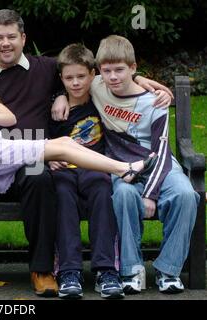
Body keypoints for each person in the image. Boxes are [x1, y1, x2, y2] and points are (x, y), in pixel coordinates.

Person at [0, 8, 172, 298]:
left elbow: (86, 73)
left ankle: (42, 269)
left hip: (29, 155)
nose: (5, 43)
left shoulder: (44, 68)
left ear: (23, 38)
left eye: (11, 36)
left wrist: (142, 81)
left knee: (40, 179)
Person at [94, 35, 199, 294]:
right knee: (124, 195)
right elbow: (64, 68)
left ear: (132, 67)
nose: (113, 77)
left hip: (159, 165)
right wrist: (62, 98)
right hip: (123, 168)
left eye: (120, 70)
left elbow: (161, 151)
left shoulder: (155, 101)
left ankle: (168, 270)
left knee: (186, 194)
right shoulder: (97, 86)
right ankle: (131, 270)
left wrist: (151, 193)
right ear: (99, 72)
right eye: (106, 71)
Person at [48, 44, 123, 299]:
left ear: (93, 75)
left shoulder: (101, 99)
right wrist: (48, 160)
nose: (76, 83)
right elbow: (40, 139)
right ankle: (69, 270)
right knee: (61, 194)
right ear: (61, 79)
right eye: (69, 78)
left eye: (81, 76)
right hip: (63, 170)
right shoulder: (54, 108)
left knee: (103, 189)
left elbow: (124, 77)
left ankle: (106, 270)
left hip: (95, 166)